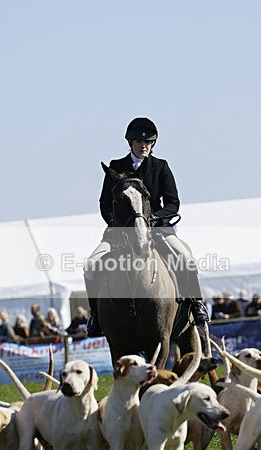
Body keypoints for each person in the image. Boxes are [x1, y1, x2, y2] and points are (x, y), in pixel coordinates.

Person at [84, 117, 209, 336]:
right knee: (92, 264)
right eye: (140, 143)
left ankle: (195, 303)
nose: (145, 146)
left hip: (157, 229)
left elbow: (173, 203)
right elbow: (105, 204)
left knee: (185, 257)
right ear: (130, 143)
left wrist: (153, 220)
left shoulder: (161, 167)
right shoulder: (116, 167)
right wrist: (119, 226)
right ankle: (95, 315)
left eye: (149, 143)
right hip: (120, 233)